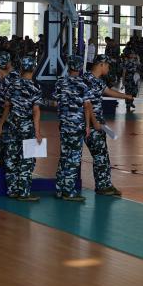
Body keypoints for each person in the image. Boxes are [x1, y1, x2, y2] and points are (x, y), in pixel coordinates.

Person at [84, 54, 133, 197]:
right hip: (93, 125)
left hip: (96, 124)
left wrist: (126, 97)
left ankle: (104, 184)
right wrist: (94, 123)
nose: (109, 68)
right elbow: (87, 104)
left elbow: (108, 91)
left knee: (102, 155)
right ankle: (103, 186)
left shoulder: (96, 81)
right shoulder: (88, 81)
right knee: (101, 156)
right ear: (101, 65)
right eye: (107, 65)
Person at [0, 56, 43, 202]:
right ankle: (23, 192)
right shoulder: (36, 87)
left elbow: (7, 106)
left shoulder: (13, 84)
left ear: (21, 68)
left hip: (11, 125)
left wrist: (0, 125)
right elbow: (36, 111)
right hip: (27, 127)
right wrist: (37, 132)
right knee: (27, 159)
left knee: (11, 157)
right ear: (34, 68)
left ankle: (12, 190)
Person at [53, 55, 91, 202]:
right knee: (74, 159)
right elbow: (87, 106)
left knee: (64, 156)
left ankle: (59, 189)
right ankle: (68, 191)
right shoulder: (83, 84)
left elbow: (55, 103)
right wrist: (87, 126)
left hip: (64, 125)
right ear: (80, 67)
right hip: (77, 126)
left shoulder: (60, 82)